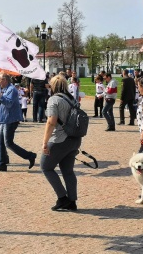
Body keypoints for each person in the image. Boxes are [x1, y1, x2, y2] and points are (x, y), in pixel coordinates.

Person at [40, 75, 82, 211]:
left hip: (59, 139)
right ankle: (72, 200)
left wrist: (45, 142)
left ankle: (62, 197)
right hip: (74, 138)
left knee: (46, 167)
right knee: (68, 171)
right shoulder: (72, 99)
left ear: (53, 86)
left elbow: (51, 121)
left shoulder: (53, 100)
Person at [0, 72, 37, 172]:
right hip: (4, 119)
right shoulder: (6, 89)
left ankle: (30, 156)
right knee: (0, 142)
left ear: (5, 80)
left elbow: (9, 104)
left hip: (10, 119)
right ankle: (1, 164)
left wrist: (0, 96)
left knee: (8, 143)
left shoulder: (11, 90)